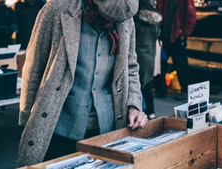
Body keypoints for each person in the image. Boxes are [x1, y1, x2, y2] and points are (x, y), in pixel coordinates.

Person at [17, 0, 148, 167]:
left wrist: (134, 105)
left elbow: (130, 67)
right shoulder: (56, 10)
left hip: (106, 130)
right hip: (58, 128)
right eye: (107, 16)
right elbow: (33, 68)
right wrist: (26, 122)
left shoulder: (124, 19)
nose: (112, 23)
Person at [157, 0, 196, 100]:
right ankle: (161, 90)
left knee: (180, 65)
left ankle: (185, 91)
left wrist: (183, 34)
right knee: (162, 64)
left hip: (176, 37)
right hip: (166, 36)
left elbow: (191, 16)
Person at [134, 0, 161, 119]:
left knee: (136, 85)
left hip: (138, 52)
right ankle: (150, 111)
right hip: (151, 53)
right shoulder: (155, 18)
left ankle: (140, 111)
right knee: (147, 83)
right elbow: (157, 35)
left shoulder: (135, 16)